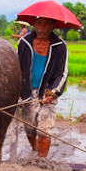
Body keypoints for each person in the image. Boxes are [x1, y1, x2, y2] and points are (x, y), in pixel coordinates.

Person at [16, 17, 68, 158]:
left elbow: (62, 73)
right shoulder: (24, 43)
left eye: (46, 24)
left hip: (48, 93)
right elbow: (16, 68)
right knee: (30, 127)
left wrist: (52, 93)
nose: (42, 27)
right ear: (34, 24)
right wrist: (18, 91)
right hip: (28, 93)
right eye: (39, 23)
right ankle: (35, 150)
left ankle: (41, 160)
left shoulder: (59, 46)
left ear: (53, 26)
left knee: (44, 129)